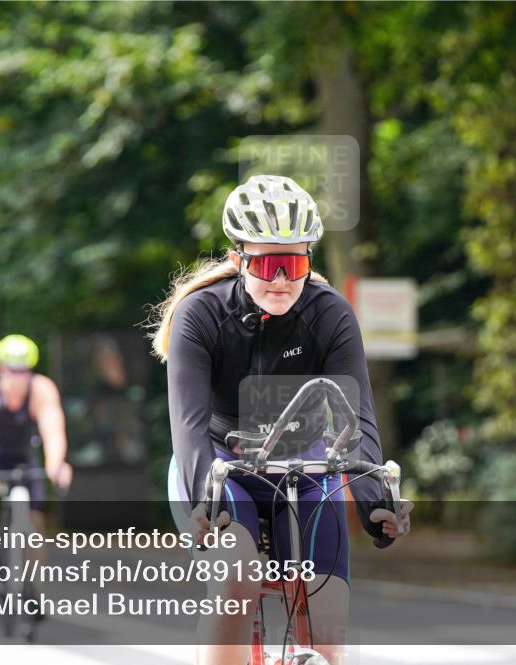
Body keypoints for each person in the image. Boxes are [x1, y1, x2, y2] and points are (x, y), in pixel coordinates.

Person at [150, 175, 413, 665]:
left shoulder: (330, 314)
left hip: (306, 470)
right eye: (268, 263)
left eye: (293, 264)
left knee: (329, 633)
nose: (281, 280)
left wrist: (376, 501)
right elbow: (188, 427)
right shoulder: (199, 315)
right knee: (237, 579)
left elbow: (357, 419)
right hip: (220, 467)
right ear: (238, 260)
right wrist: (203, 495)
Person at [0, 334, 73, 568]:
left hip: (25, 458)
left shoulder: (42, 389)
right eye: (11, 370)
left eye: (23, 371)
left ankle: (32, 591)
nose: (17, 377)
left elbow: (53, 430)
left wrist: (56, 463)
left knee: (36, 522)